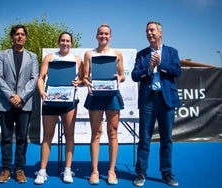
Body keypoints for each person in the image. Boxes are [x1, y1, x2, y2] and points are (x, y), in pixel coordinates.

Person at [131, 21, 181, 187]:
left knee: (167, 139)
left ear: (161, 32)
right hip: (148, 101)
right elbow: (135, 76)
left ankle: (166, 174)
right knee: (144, 139)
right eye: (147, 31)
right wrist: (149, 67)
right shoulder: (142, 54)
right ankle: (140, 174)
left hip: (166, 101)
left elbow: (177, 71)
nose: (149, 33)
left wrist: (161, 64)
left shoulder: (172, 52)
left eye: (152, 30)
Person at [34, 32, 83, 184]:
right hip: (50, 101)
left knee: (69, 135)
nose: (65, 43)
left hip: (70, 103)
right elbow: (41, 78)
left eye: (68, 41)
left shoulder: (77, 60)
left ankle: (68, 169)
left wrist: (79, 82)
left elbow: (82, 80)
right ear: (58, 42)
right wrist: (42, 92)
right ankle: (42, 171)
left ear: (71, 43)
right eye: (62, 40)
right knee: (47, 136)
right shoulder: (49, 58)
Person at [0, 24, 39, 183]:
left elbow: (34, 79)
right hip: (5, 104)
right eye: (17, 34)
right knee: (6, 138)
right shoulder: (2, 55)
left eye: (22, 34)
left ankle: (19, 169)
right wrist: (11, 96)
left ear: (25, 37)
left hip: (24, 104)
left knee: (21, 139)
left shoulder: (32, 57)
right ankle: (5, 169)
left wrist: (21, 97)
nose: (20, 36)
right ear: (12, 37)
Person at [82, 24, 125, 185]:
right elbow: (85, 76)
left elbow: (122, 75)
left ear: (110, 36)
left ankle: (111, 171)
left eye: (106, 33)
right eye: (101, 33)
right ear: (96, 35)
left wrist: (119, 79)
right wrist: (88, 83)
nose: (103, 36)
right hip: (96, 95)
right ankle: (94, 172)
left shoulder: (117, 54)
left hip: (112, 95)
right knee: (96, 133)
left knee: (113, 132)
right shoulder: (89, 54)